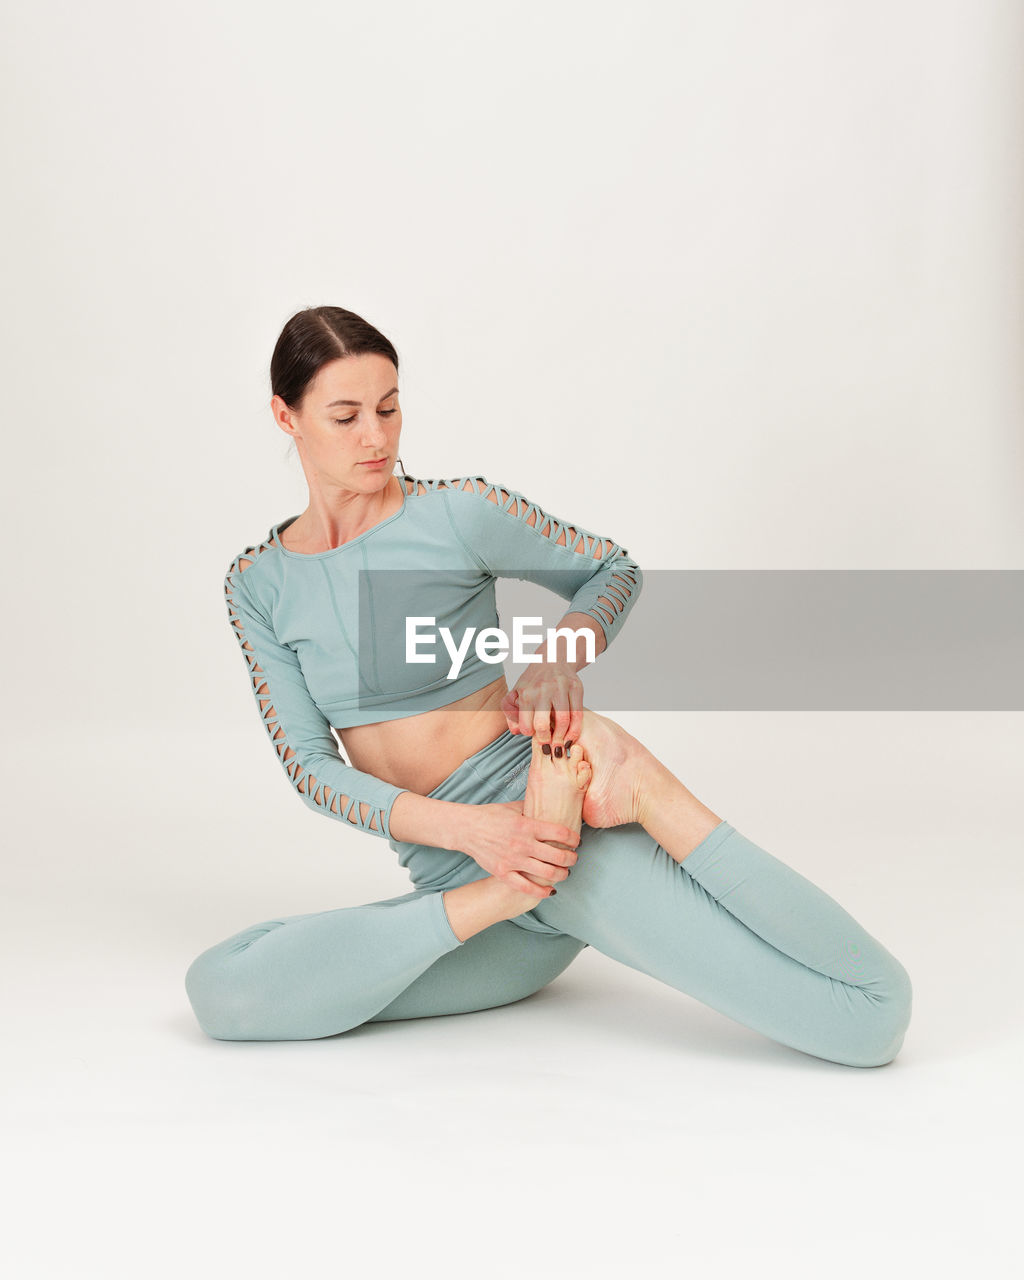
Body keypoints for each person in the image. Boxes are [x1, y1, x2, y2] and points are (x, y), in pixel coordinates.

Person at [184, 306, 913, 1068]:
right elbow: (310, 768)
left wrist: (561, 657)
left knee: (865, 1017)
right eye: (346, 416)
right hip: (472, 880)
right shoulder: (257, 583)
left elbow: (611, 569)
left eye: (390, 408)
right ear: (285, 416)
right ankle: (518, 896)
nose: (378, 437)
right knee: (226, 993)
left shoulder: (457, 513)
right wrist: (476, 844)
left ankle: (645, 789)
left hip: (548, 819)